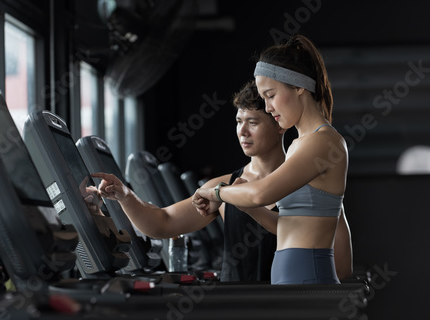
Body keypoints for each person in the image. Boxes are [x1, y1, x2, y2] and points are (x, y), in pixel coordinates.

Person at [91, 78, 352, 282]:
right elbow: (163, 223)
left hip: (287, 303)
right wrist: (125, 195)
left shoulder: (313, 188)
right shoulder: (223, 186)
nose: (243, 131)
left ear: (279, 123)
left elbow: (341, 268)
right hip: (235, 306)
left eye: (253, 122)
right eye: (239, 122)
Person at [192, 34, 349, 285]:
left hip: (308, 279)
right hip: (292, 278)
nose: (267, 107)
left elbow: (260, 194)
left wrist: (215, 192)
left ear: (298, 87)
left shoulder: (323, 143)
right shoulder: (300, 143)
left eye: (270, 95)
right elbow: (288, 226)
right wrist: (246, 207)